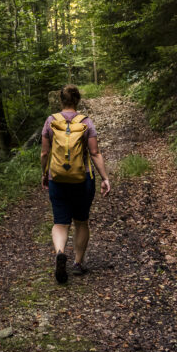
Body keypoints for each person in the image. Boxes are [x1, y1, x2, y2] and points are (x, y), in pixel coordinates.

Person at [41, 84, 110, 283]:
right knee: (81, 221)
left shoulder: (51, 121)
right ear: (77, 100)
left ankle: (60, 252)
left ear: (61, 100)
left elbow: (45, 153)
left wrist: (45, 174)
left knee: (60, 223)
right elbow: (95, 153)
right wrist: (105, 178)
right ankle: (78, 263)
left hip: (57, 178)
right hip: (83, 179)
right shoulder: (86, 122)